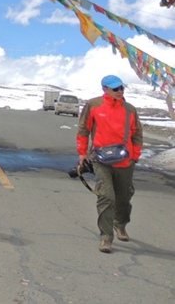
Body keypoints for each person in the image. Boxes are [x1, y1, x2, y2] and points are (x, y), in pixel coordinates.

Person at [77, 75, 143, 253]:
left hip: (125, 161)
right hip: (101, 160)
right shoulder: (93, 105)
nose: (120, 91)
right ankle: (106, 238)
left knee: (124, 196)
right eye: (116, 88)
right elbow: (84, 129)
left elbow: (136, 134)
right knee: (106, 196)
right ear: (105, 89)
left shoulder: (130, 109)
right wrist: (82, 153)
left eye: (122, 88)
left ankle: (120, 224)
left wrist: (134, 156)